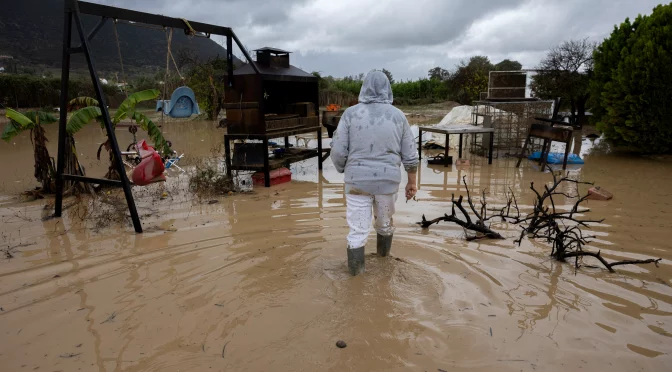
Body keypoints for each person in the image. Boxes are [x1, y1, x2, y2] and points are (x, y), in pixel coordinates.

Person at [330, 70, 419, 276]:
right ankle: (383, 262)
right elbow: (410, 154)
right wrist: (412, 182)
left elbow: (338, 151)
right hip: (388, 182)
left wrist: (344, 169)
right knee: (385, 224)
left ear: (363, 88)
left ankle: (356, 279)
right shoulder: (398, 116)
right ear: (388, 89)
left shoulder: (350, 114)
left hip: (356, 183)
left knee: (357, 232)